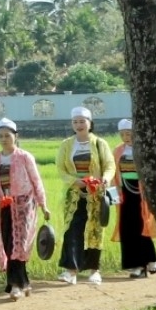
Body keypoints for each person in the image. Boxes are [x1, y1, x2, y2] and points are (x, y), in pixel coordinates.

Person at [0, 118, 50, 300]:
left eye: (8, 135)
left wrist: (43, 205)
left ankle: (14, 285)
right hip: (4, 206)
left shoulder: (24, 157)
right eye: (1, 136)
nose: (4, 139)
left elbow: (37, 181)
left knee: (20, 244)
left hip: (24, 205)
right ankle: (24, 283)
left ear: (16, 136)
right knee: (8, 244)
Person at [56, 106, 117, 286]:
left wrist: (105, 179)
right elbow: (61, 169)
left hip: (95, 195)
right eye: (75, 122)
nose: (78, 125)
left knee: (95, 231)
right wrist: (75, 181)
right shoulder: (66, 145)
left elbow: (109, 165)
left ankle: (94, 270)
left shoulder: (100, 144)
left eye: (82, 121)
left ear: (90, 123)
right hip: (75, 195)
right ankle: (71, 270)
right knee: (72, 230)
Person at [112, 118, 156, 278]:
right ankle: (136, 265)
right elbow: (114, 173)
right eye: (123, 134)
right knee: (127, 228)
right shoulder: (118, 151)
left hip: (141, 192)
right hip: (124, 193)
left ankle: (151, 259)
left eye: (129, 133)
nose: (126, 137)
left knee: (143, 225)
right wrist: (114, 192)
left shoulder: (144, 150)